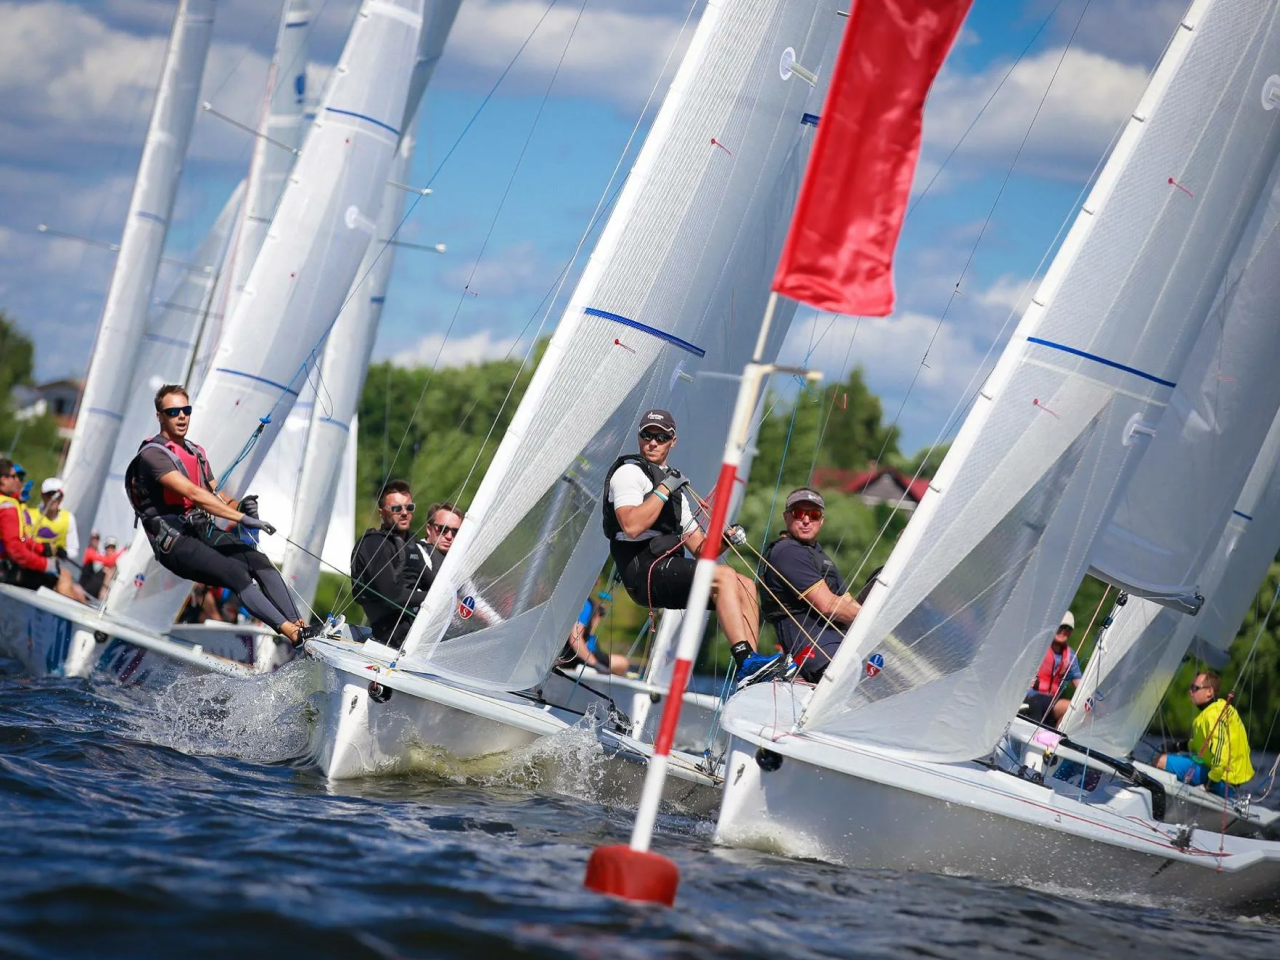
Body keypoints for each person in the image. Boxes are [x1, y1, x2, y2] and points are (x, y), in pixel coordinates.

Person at [124, 384, 312, 646]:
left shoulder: (196, 452)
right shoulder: (153, 455)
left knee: (258, 560)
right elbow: (194, 493)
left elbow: (216, 495)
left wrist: (242, 508)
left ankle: (301, 625)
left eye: (186, 410)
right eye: (173, 411)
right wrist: (240, 520)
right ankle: (292, 633)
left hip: (201, 533)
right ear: (160, 416)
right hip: (175, 543)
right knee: (236, 573)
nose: (181, 416)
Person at [603, 409, 764, 675]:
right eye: (647, 435)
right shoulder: (630, 473)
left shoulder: (676, 493)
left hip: (665, 567)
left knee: (745, 585)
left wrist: (727, 538)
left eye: (661, 437)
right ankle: (745, 660)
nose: (653, 442)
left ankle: (754, 668)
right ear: (639, 437)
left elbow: (701, 550)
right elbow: (631, 526)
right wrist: (665, 488)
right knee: (723, 576)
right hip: (641, 570)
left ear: (672, 440)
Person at [758, 489, 861, 683]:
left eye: (813, 515)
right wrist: (877, 617)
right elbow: (829, 606)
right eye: (798, 513)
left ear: (821, 520)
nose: (806, 520)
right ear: (786, 517)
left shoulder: (819, 555)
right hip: (815, 650)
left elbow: (848, 602)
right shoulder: (787, 551)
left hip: (837, 644)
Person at [351, 479, 430, 648]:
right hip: (389, 635)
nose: (404, 513)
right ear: (382, 512)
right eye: (396, 508)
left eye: (409, 507)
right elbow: (391, 595)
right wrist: (434, 598)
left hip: (415, 627)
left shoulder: (411, 546)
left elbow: (433, 582)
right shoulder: (373, 544)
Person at [1156, 672, 1255, 797]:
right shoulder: (1217, 709)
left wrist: (1208, 785)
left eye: (1195, 688)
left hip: (1221, 782)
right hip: (1226, 781)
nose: (1190, 692)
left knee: (1160, 761)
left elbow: (1221, 756)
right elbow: (1202, 745)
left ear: (1209, 692)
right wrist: (1177, 747)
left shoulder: (1214, 714)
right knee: (1171, 759)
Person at [0, 458, 81, 600]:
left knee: (73, 585)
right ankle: (71, 620)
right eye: (14, 476)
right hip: (8, 567)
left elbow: (23, 539)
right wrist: (45, 564)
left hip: (20, 560)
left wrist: (44, 548)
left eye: (57, 495)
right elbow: (16, 549)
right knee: (64, 578)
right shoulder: (10, 507)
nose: (18, 481)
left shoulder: (68, 518)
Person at [1021, 612, 1081, 727]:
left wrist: (1092, 700)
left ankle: (1055, 739)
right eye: (1060, 627)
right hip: (1029, 697)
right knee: (1037, 703)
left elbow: (1080, 684)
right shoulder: (1039, 647)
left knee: (1073, 709)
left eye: (1067, 628)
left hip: (1049, 701)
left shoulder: (1070, 655)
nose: (1063, 631)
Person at [559, 596, 630, 676]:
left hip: (579, 653)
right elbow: (575, 641)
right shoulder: (586, 604)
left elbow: (589, 635)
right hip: (577, 657)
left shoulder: (575, 602)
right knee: (623, 663)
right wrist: (595, 664)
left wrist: (596, 619)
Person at [32, 477, 81, 563]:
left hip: (53, 567)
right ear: (42, 496)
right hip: (32, 563)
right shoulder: (31, 515)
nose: (53, 499)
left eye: (57, 495)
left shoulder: (68, 518)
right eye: (49, 495)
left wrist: (63, 552)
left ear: (62, 498)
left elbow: (74, 549)